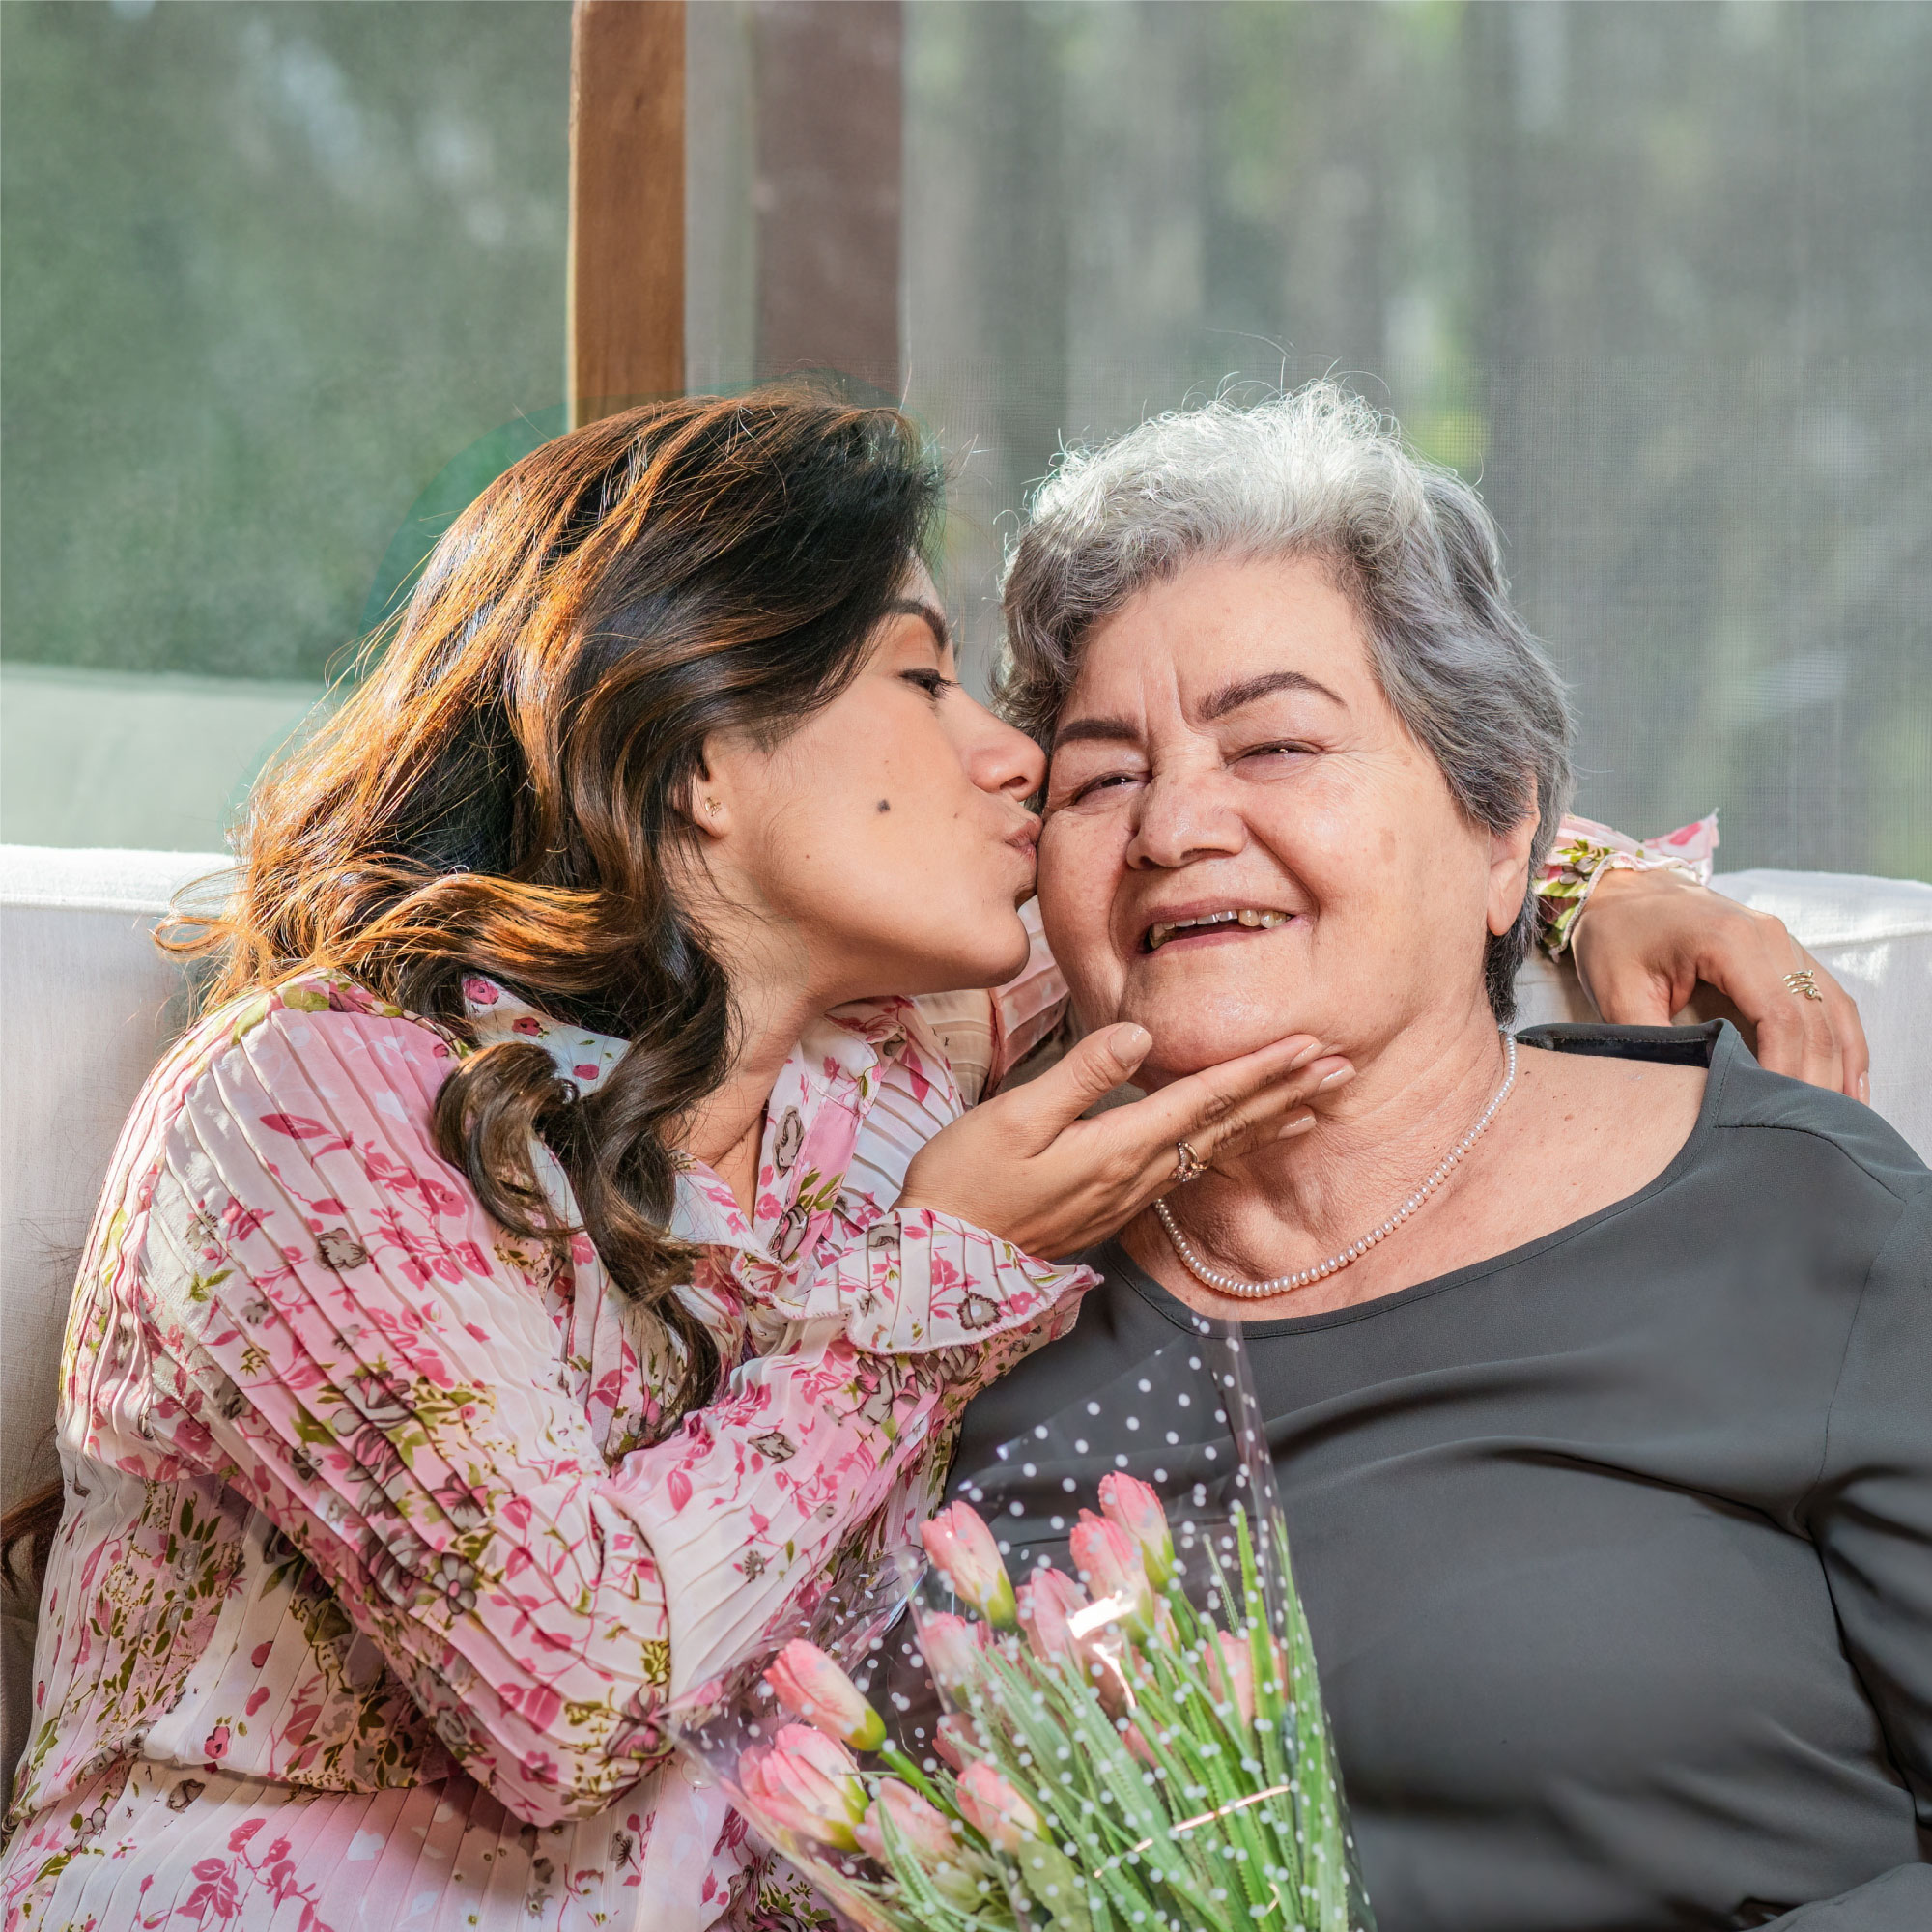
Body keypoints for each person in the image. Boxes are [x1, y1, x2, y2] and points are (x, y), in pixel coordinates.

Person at [0, 384, 1870, 1932]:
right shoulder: (313, 1100)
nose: (1021, 766)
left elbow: (1293, 845)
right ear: (705, 745)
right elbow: (559, 1694)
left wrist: (1575, 877)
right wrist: (927, 1275)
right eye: (924, 682)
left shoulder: (895, 1054)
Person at [955, 384, 1929, 1930]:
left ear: (1501, 838)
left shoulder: (1813, 1226)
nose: (1173, 826)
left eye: (1274, 741)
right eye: (1100, 778)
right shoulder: (953, 1286)